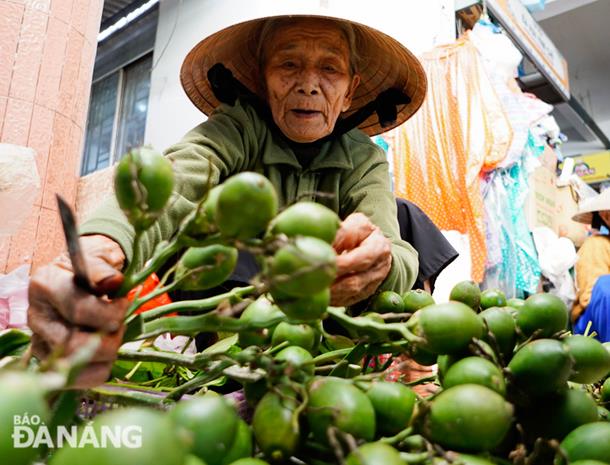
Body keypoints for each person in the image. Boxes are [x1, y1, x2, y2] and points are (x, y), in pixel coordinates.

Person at [27, 13, 428, 387]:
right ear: (262, 78)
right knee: (212, 241)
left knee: (410, 217)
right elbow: (178, 178)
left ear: (349, 91)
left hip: (328, 314)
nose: (308, 84)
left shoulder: (364, 156)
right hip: (234, 307)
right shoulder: (237, 128)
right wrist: (99, 250)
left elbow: (389, 239)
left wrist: (380, 262)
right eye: (288, 65)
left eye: (330, 69)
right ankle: (234, 373)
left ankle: (411, 358)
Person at [571, 188, 610, 341]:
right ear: (606, 216)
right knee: (605, 285)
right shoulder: (597, 245)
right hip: (593, 330)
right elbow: (594, 296)